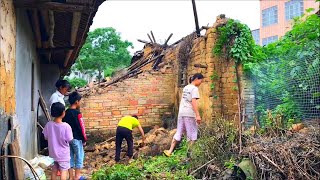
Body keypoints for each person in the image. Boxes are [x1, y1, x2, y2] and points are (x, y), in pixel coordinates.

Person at [164, 73, 204, 157]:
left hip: (181, 112)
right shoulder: (194, 89)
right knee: (192, 133)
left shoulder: (186, 87)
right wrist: (197, 115)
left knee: (179, 131)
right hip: (189, 113)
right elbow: (193, 102)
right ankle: (189, 154)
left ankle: (170, 151)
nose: (201, 82)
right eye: (201, 80)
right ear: (196, 79)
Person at [43, 102, 73, 180]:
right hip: (63, 154)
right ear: (63, 112)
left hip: (53, 153)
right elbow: (70, 139)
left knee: (54, 170)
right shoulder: (66, 126)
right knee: (64, 171)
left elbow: (45, 137)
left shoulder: (49, 125)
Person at [63, 92, 87, 180]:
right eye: (80, 101)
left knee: (70, 157)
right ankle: (77, 176)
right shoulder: (77, 114)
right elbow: (81, 128)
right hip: (77, 138)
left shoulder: (66, 113)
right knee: (80, 156)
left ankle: (71, 177)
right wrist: (84, 139)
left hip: (68, 139)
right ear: (77, 102)